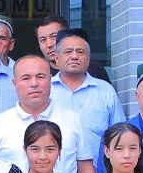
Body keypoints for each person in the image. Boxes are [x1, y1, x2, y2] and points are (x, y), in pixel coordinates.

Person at [0, 54, 94, 173]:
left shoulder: (72, 119)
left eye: (40, 77)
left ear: (50, 79)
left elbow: (85, 170)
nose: (34, 84)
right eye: (26, 78)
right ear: (14, 83)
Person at [50, 29, 120, 163]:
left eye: (80, 52)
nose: (74, 56)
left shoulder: (106, 91)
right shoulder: (46, 90)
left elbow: (119, 136)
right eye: (68, 52)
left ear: (88, 60)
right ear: (57, 59)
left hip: (99, 172)